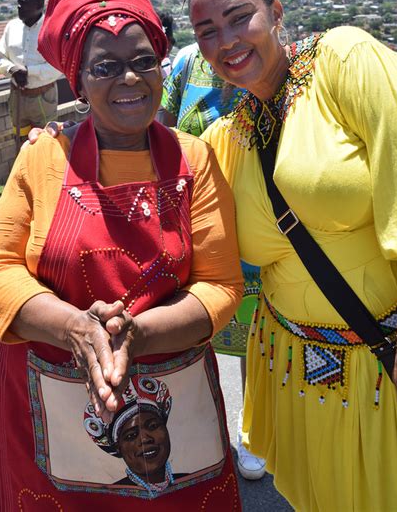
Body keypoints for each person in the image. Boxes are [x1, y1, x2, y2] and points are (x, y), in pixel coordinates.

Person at [0, 0, 244, 510]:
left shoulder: (195, 160)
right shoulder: (43, 157)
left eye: (145, 61)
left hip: (173, 394)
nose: (130, 79)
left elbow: (219, 283)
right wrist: (74, 326)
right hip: (48, 398)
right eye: (106, 67)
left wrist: (137, 334)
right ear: (78, 82)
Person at [186, 0, 397, 512]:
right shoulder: (228, 139)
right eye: (207, 32)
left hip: (386, 362)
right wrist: (70, 143)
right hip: (288, 366)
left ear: (276, 12)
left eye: (239, 18)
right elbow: (158, 186)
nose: (226, 41)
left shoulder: (344, 61)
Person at [159, 45, 266, 479]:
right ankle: (182, 434)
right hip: (191, 221)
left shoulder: (271, 64)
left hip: (256, 225)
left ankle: (251, 434)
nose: (224, 35)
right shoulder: (187, 63)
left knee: (254, 338)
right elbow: (160, 126)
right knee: (186, 325)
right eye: (207, 24)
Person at [0, 0, 62, 140]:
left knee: (46, 141)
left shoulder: (51, 29)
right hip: (17, 96)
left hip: (43, 97)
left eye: (23, 4)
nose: (19, 7)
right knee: (21, 141)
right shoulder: (12, 26)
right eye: (18, 4)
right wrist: (13, 69)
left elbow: (58, 66)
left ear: (38, 5)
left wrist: (27, 71)